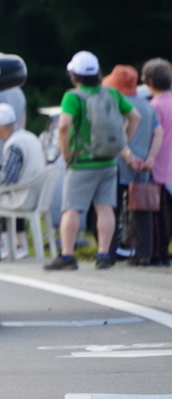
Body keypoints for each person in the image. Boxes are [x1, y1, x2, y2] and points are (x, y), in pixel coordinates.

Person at [45, 51, 141, 271]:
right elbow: (136, 117)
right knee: (105, 208)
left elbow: (63, 125)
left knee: (72, 208)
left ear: (74, 75)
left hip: (82, 162)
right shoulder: (112, 94)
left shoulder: (73, 97)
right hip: (108, 162)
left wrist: (66, 152)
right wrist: (122, 142)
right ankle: (104, 255)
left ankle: (67, 256)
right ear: (98, 72)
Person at [101, 65, 163, 262]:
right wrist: (151, 158)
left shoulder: (114, 104)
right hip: (144, 164)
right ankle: (143, 254)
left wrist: (128, 157)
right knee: (142, 209)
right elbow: (158, 133)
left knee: (113, 207)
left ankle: (109, 252)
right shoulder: (147, 105)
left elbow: (116, 135)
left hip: (119, 163)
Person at [0, 102, 45, 260]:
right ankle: (15, 246)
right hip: (38, 194)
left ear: (0, 127)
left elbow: (7, 180)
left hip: (24, 197)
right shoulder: (30, 137)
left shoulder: (14, 144)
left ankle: (0, 247)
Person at [142, 58, 172, 265]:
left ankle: (159, 252)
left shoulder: (153, 107)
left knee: (158, 213)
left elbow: (150, 137)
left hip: (159, 165)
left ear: (149, 81)